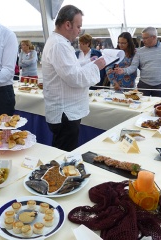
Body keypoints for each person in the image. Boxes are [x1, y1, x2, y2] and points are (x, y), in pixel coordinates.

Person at [41, 4, 106, 152]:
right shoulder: (59, 45)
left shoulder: (59, 42)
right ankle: (61, 175)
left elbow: (71, 68)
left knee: (62, 150)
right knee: (64, 153)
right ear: (67, 24)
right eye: (78, 26)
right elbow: (74, 77)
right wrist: (97, 67)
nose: (79, 31)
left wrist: (89, 63)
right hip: (65, 113)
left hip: (66, 111)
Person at [114, 27, 161, 97]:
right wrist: (123, 70)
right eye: (142, 38)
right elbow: (133, 66)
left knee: (156, 106)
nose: (143, 40)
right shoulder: (139, 51)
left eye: (145, 38)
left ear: (153, 37)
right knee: (141, 106)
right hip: (143, 85)